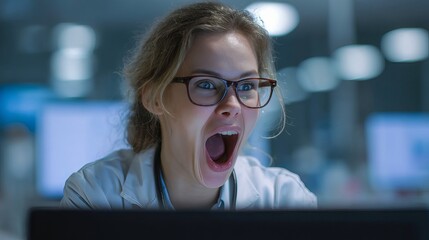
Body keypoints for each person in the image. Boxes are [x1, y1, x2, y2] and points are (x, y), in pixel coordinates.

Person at [60, 1, 316, 210]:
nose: (232, 105)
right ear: (154, 98)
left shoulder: (286, 200)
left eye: (247, 86)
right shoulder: (95, 197)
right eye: (206, 84)